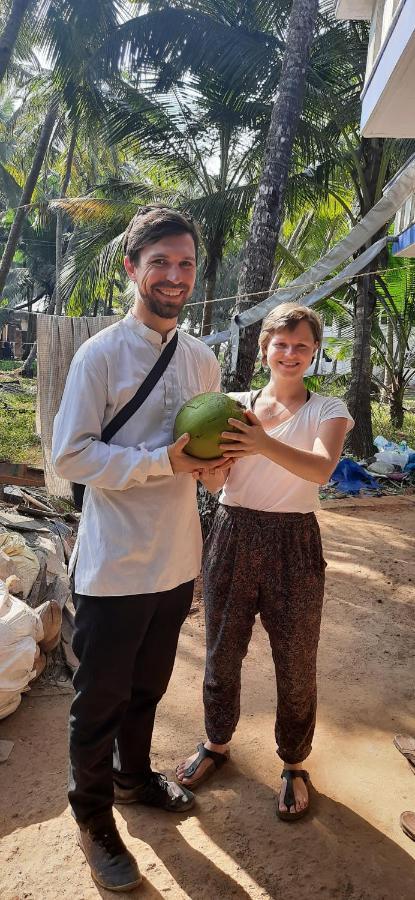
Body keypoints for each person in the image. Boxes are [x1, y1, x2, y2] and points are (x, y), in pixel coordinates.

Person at [52, 206, 229, 892]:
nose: (174, 276)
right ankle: (94, 816)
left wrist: (222, 464)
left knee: (148, 689)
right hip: (114, 563)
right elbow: (70, 455)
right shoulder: (100, 355)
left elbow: (207, 464)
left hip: (175, 558)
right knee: (99, 699)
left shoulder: (202, 359)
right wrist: (165, 462)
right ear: (132, 269)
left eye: (184, 263)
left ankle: (132, 776)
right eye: (159, 262)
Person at [176, 303, 354, 821]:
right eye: (281, 344)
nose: (291, 354)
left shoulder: (329, 408)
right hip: (233, 531)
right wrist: (206, 468)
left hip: (294, 541)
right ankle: (215, 742)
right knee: (221, 649)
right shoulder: (231, 406)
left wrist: (260, 441)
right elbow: (215, 483)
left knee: (296, 659)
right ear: (264, 349)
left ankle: (295, 763)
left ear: (315, 351)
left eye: (301, 345)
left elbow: (321, 470)